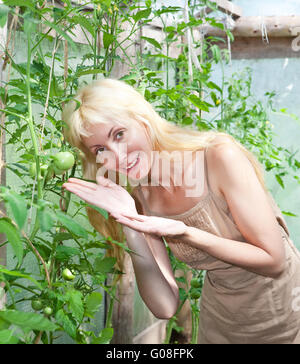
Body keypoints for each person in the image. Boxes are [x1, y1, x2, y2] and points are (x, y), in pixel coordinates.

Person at [61, 78, 300, 344]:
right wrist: (130, 223)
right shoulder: (141, 198)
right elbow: (164, 306)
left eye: (119, 134)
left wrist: (187, 233)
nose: (117, 155)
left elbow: (273, 260)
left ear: (143, 121)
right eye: (101, 149)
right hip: (221, 317)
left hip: (283, 307)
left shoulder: (218, 157)